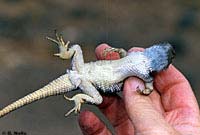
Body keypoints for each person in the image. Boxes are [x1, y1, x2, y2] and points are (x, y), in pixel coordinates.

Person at [78, 44, 200, 135]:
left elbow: (148, 87)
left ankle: (80, 97)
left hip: (111, 81)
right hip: (107, 76)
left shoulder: (143, 68)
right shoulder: (140, 62)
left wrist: (140, 96)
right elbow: (148, 86)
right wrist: (120, 52)